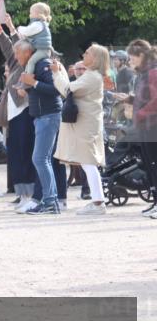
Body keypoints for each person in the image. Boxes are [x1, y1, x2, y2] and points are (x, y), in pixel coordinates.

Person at [54, 44, 109, 215]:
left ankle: (98, 202)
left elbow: (67, 89)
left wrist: (57, 72)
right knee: (87, 162)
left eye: (88, 53)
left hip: (86, 125)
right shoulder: (92, 75)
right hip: (87, 123)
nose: (84, 54)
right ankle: (97, 201)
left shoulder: (92, 76)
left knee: (88, 162)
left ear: (95, 58)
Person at [0, 16, 38, 212]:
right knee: (16, 155)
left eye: (19, 52)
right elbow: (8, 48)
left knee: (24, 152)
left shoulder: (27, 65)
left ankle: (29, 193)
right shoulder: (15, 65)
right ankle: (21, 193)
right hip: (13, 115)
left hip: (24, 112)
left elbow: (13, 45)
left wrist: (10, 28)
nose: (14, 54)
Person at [17, 39, 66, 215]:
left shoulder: (43, 64)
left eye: (18, 53)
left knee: (40, 159)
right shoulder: (35, 66)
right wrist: (28, 88)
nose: (16, 57)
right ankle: (51, 201)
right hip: (42, 116)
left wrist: (33, 83)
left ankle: (51, 201)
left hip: (48, 115)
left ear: (28, 53)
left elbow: (56, 89)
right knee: (42, 159)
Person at [125, 40, 157, 218]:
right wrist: (131, 99)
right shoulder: (146, 73)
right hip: (147, 125)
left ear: (141, 56)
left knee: (155, 164)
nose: (130, 60)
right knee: (150, 165)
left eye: (132, 57)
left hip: (152, 125)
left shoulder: (153, 72)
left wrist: (140, 113)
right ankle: (155, 201)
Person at [17, 2, 54, 82]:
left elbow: (27, 31)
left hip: (43, 50)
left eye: (31, 12)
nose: (29, 15)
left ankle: (27, 79)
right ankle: (25, 76)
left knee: (31, 62)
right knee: (29, 61)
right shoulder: (39, 24)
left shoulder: (38, 24)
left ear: (38, 14)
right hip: (40, 49)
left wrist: (20, 28)